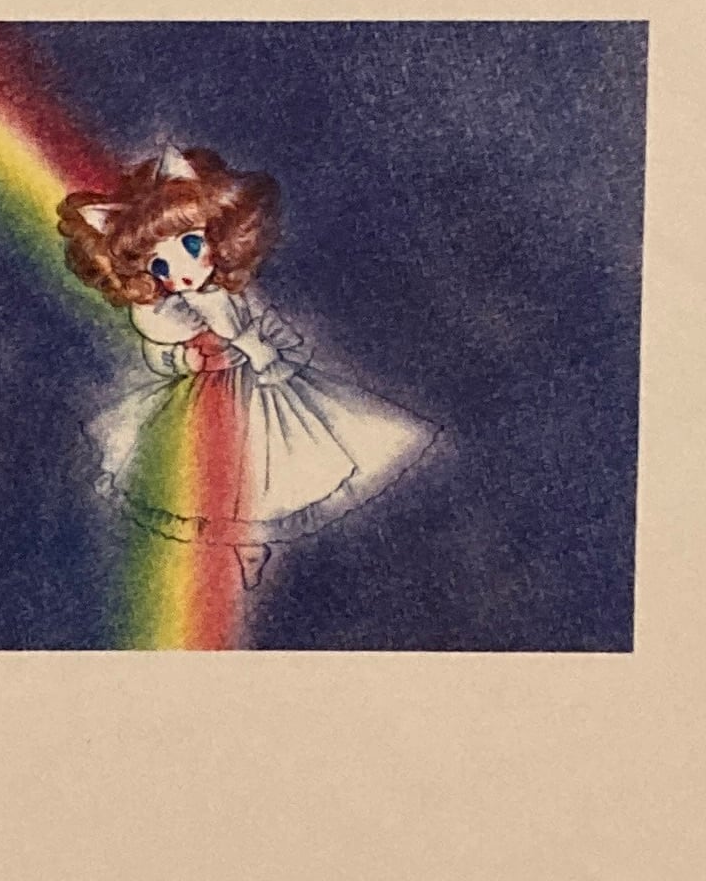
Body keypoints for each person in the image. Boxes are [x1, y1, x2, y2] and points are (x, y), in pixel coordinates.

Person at [55, 145, 431, 591]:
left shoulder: (232, 293)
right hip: (204, 396)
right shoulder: (167, 313)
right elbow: (159, 354)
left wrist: (282, 349)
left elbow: (264, 322)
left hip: (261, 387)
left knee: (268, 464)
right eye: (160, 265)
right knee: (209, 473)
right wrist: (184, 359)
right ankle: (233, 550)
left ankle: (248, 544)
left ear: (218, 234)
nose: (181, 272)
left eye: (190, 245)